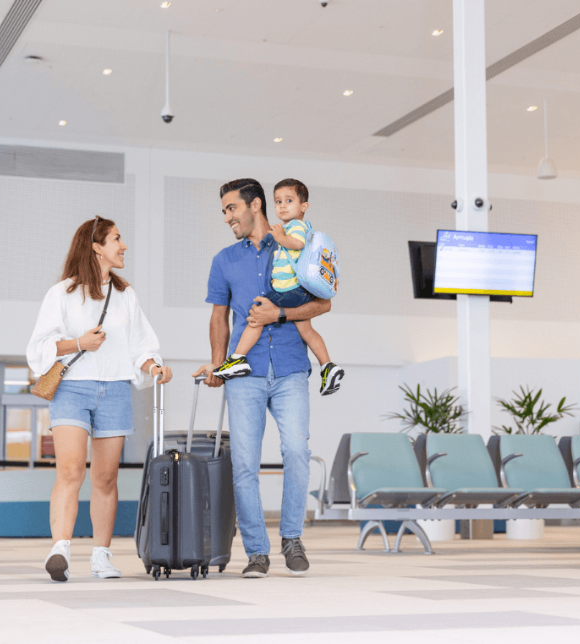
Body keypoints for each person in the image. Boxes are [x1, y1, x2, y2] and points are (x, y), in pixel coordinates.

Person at [193, 178, 331, 578]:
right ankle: (256, 552)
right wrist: (219, 366)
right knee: (244, 465)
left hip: (290, 367)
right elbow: (219, 317)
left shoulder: (295, 245)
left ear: (255, 205)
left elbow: (323, 303)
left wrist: (280, 315)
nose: (227, 217)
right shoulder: (224, 260)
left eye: (231, 208)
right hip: (245, 374)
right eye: (224, 211)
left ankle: (292, 538)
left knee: (297, 452)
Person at [27, 215, 172, 583]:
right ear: (96, 246)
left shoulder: (125, 295)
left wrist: (155, 366)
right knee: (71, 471)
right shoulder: (62, 293)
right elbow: (38, 348)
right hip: (73, 388)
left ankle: (101, 556)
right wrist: (79, 343)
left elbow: (141, 345)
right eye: (116, 239)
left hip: (116, 389)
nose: (123, 246)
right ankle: (60, 547)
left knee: (106, 478)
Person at [213, 178, 344, 396]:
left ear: (304, 206)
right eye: (278, 201)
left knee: (256, 315)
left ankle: (237, 359)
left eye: (289, 201)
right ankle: (328, 366)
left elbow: (297, 244)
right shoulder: (293, 228)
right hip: (298, 291)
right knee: (307, 330)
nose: (282, 206)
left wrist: (280, 237)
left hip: (289, 290)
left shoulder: (294, 228)